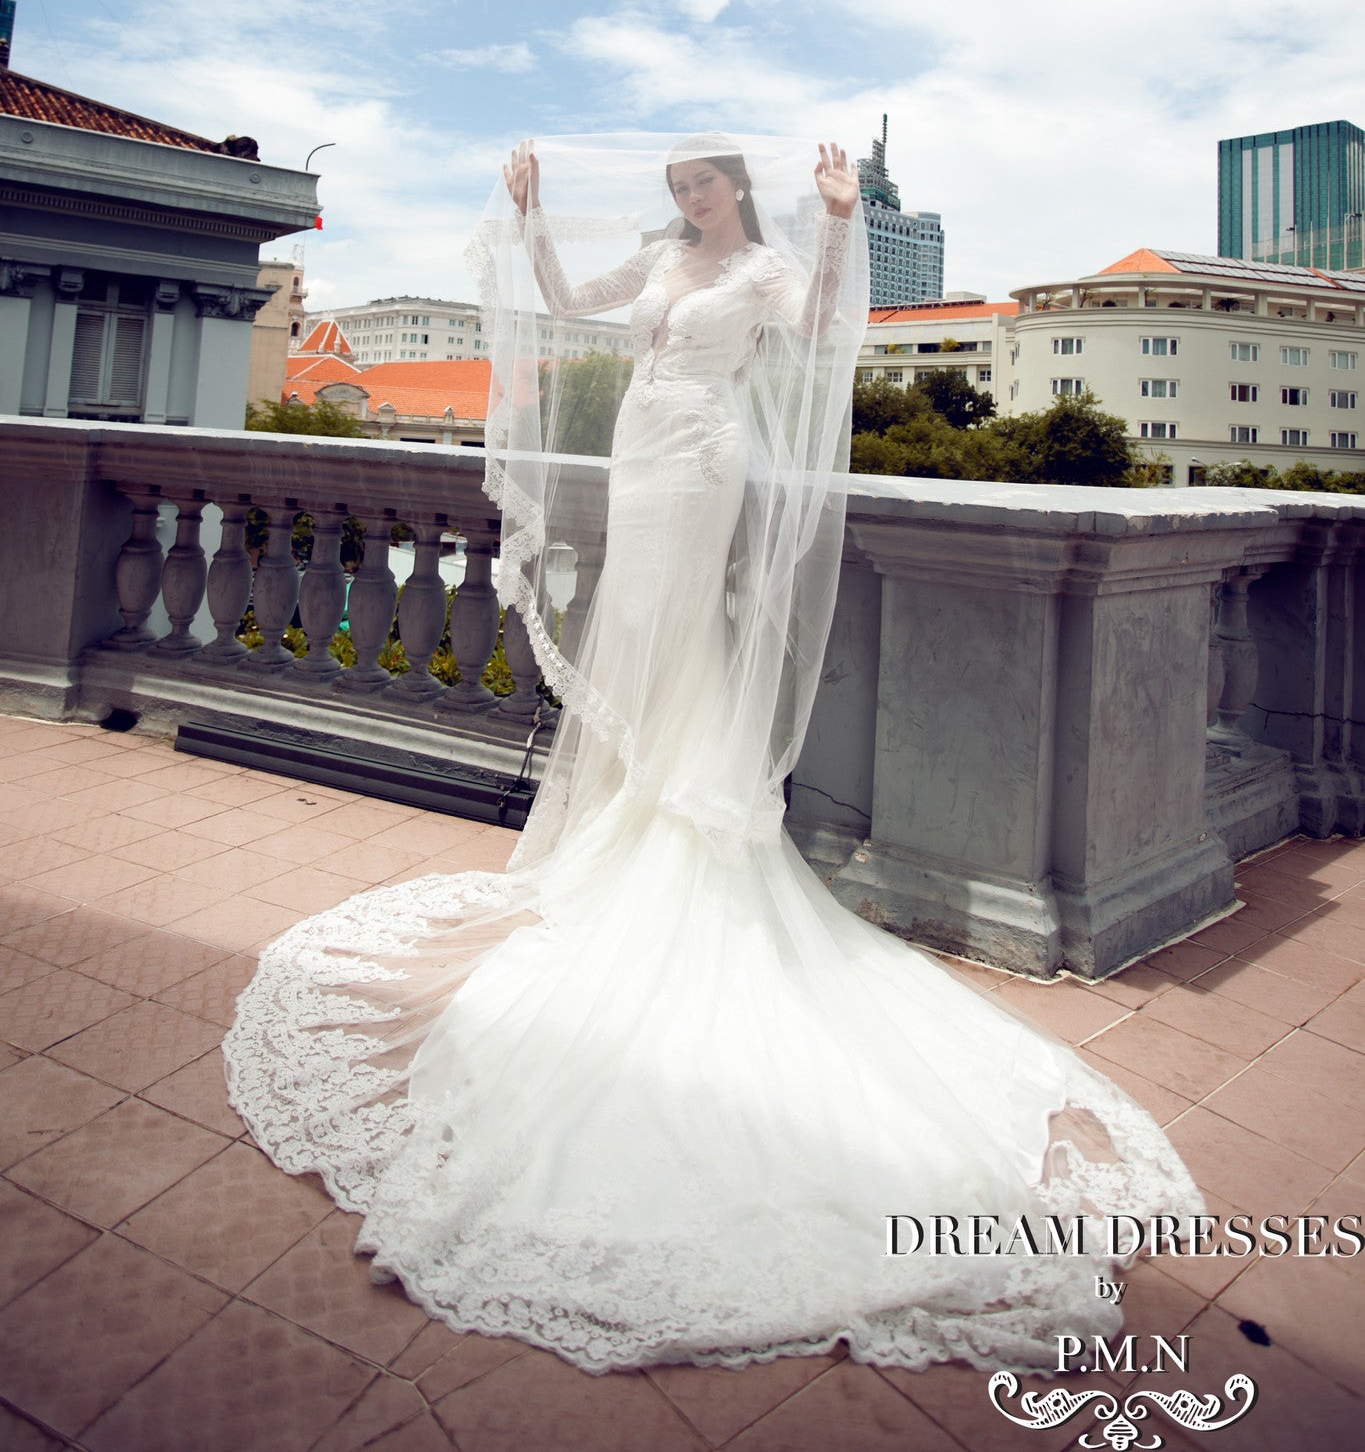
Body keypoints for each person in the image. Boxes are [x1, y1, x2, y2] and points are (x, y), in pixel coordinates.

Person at [225, 130, 1202, 1377]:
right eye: (677, 186)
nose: (688, 199)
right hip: (641, 453)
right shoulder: (659, 258)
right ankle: (627, 811)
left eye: (703, 183)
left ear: (738, 184)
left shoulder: (766, 271)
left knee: (678, 627)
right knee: (638, 636)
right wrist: (527, 221)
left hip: (701, 459)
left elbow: (829, 331)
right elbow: (575, 309)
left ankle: (668, 823)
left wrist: (842, 220)